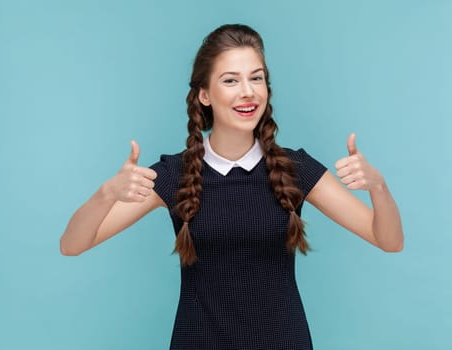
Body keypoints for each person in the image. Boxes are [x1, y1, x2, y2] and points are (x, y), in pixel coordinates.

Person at [60, 24, 403, 350]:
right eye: (230, 80)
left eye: (257, 78)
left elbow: (388, 240)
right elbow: (73, 244)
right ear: (205, 95)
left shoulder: (295, 169)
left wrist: (379, 187)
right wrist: (106, 194)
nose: (248, 91)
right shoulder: (173, 173)